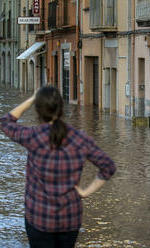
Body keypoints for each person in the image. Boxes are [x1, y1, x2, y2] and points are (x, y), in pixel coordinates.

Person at [0, 86, 116, 248]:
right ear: (61, 109)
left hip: (39, 217)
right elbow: (108, 167)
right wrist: (85, 192)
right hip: (70, 218)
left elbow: (6, 121)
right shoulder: (79, 138)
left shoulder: (33, 136)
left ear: (38, 111)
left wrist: (32, 99)